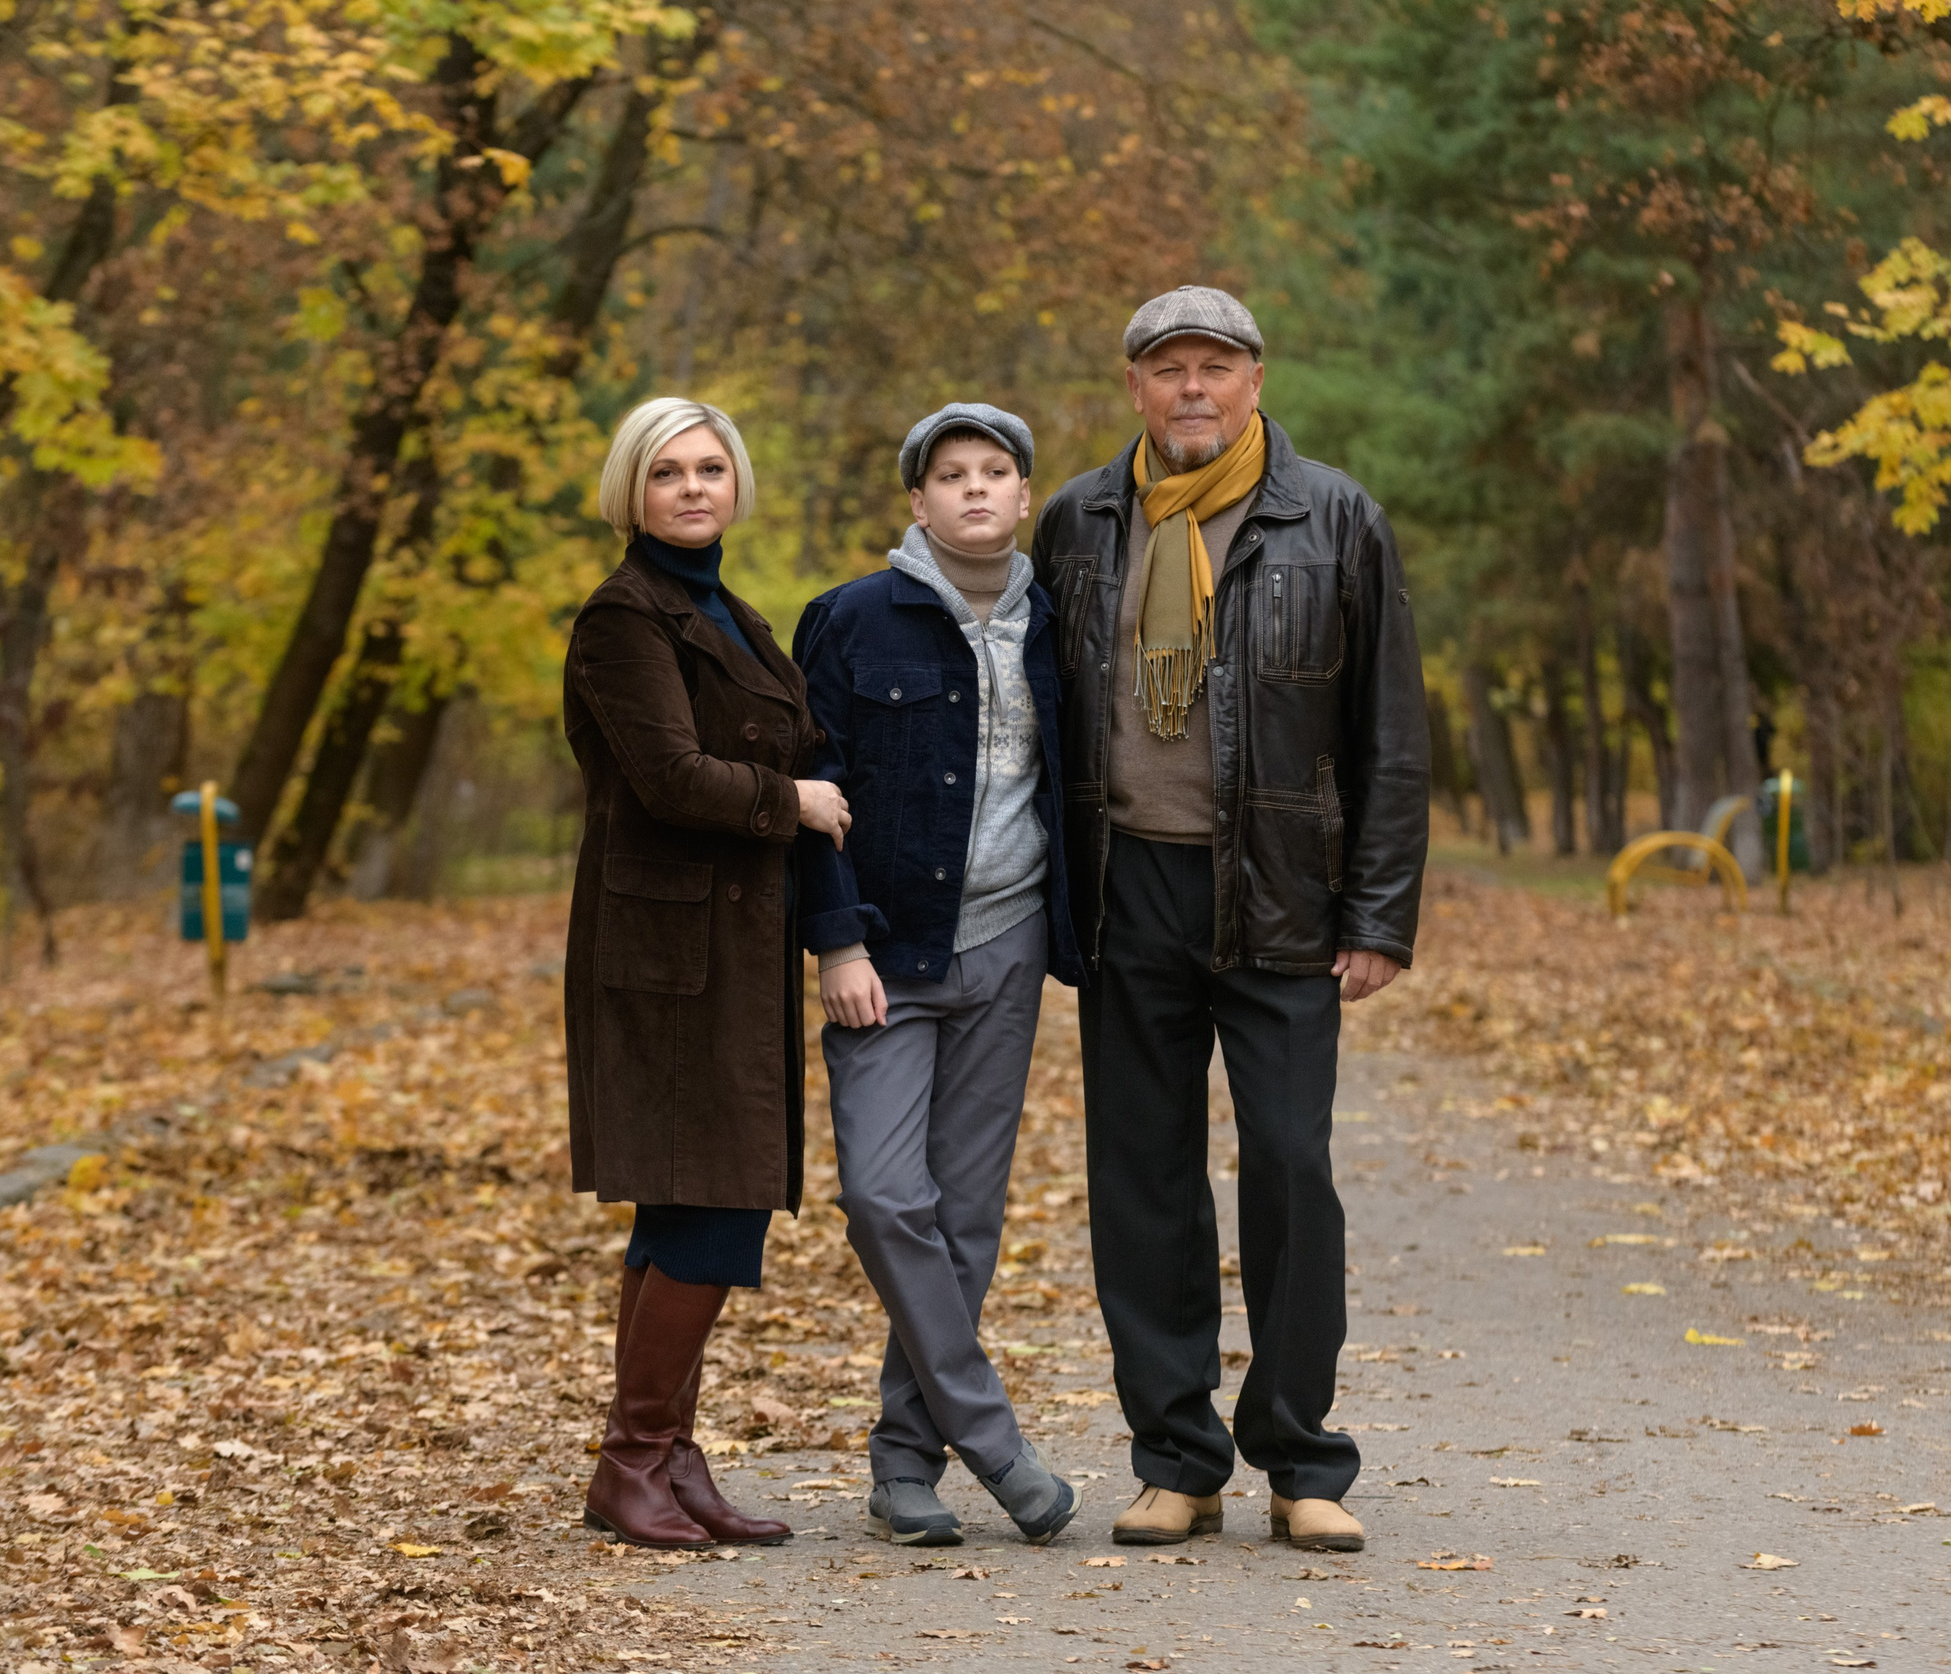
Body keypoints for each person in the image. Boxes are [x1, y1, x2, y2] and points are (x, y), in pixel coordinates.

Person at [1030, 286, 1430, 1554]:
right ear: (1134, 387)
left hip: (1282, 897)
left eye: (1214, 366)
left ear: (1257, 379)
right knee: (1142, 1177)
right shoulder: (1080, 522)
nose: (1191, 388)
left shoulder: (1335, 518)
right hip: (1127, 889)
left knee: (1292, 1169)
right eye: (1168, 369)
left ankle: (1302, 1461)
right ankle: (1176, 1460)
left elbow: (1389, 733)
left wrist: (1378, 914)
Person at [793, 404, 1086, 1548]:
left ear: (1022, 497)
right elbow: (810, 788)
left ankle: (904, 1465)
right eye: (950, 474)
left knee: (966, 1215)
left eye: (993, 471)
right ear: (917, 502)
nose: (973, 489)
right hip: (886, 949)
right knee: (882, 1195)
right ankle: (992, 1439)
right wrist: (836, 942)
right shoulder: (852, 619)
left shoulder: (1058, 627)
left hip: (1007, 945)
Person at [563, 396, 851, 1550]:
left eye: (709, 469)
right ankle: (630, 1461)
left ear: (736, 484)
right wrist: (792, 802)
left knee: (690, 1201)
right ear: (631, 492)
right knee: (710, 1200)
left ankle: (667, 1458)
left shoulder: (729, 612)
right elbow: (670, 776)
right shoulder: (623, 616)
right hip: (667, 959)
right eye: (667, 472)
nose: (692, 488)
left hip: (731, 948)